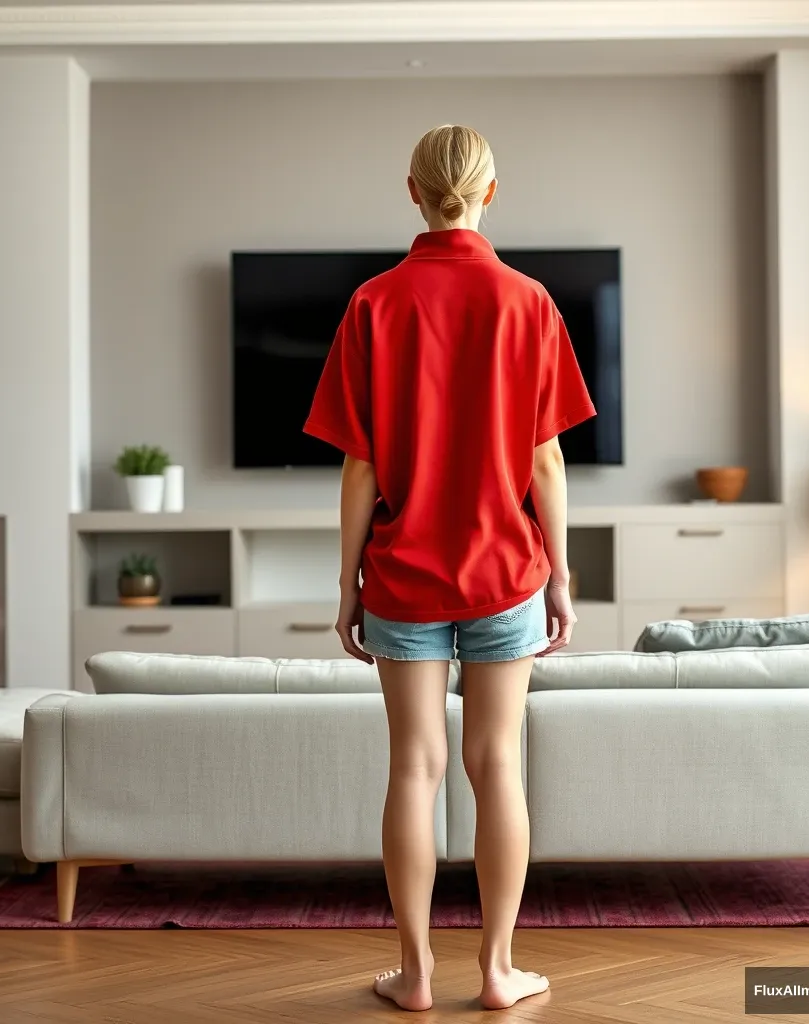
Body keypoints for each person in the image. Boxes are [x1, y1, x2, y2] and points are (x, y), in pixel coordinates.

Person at [303, 124, 595, 1012]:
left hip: (404, 578)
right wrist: (563, 573)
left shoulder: (372, 303)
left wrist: (347, 582)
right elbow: (545, 463)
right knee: (496, 765)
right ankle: (499, 971)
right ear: (492, 194)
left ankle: (417, 973)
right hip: (508, 569)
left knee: (413, 771)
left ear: (413, 191)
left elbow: (359, 468)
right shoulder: (529, 300)